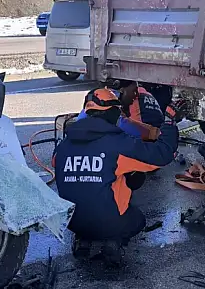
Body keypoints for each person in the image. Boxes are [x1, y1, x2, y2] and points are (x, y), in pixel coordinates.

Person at [54, 87, 181, 266]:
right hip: (109, 224)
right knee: (137, 219)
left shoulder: (63, 146)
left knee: (102, 183)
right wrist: (169, 121)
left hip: (71, 222)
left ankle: (83, 239)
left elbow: (61, 167)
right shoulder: (118, 144)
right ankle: (113, 242)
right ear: (112, 113)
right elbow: (163, 154)